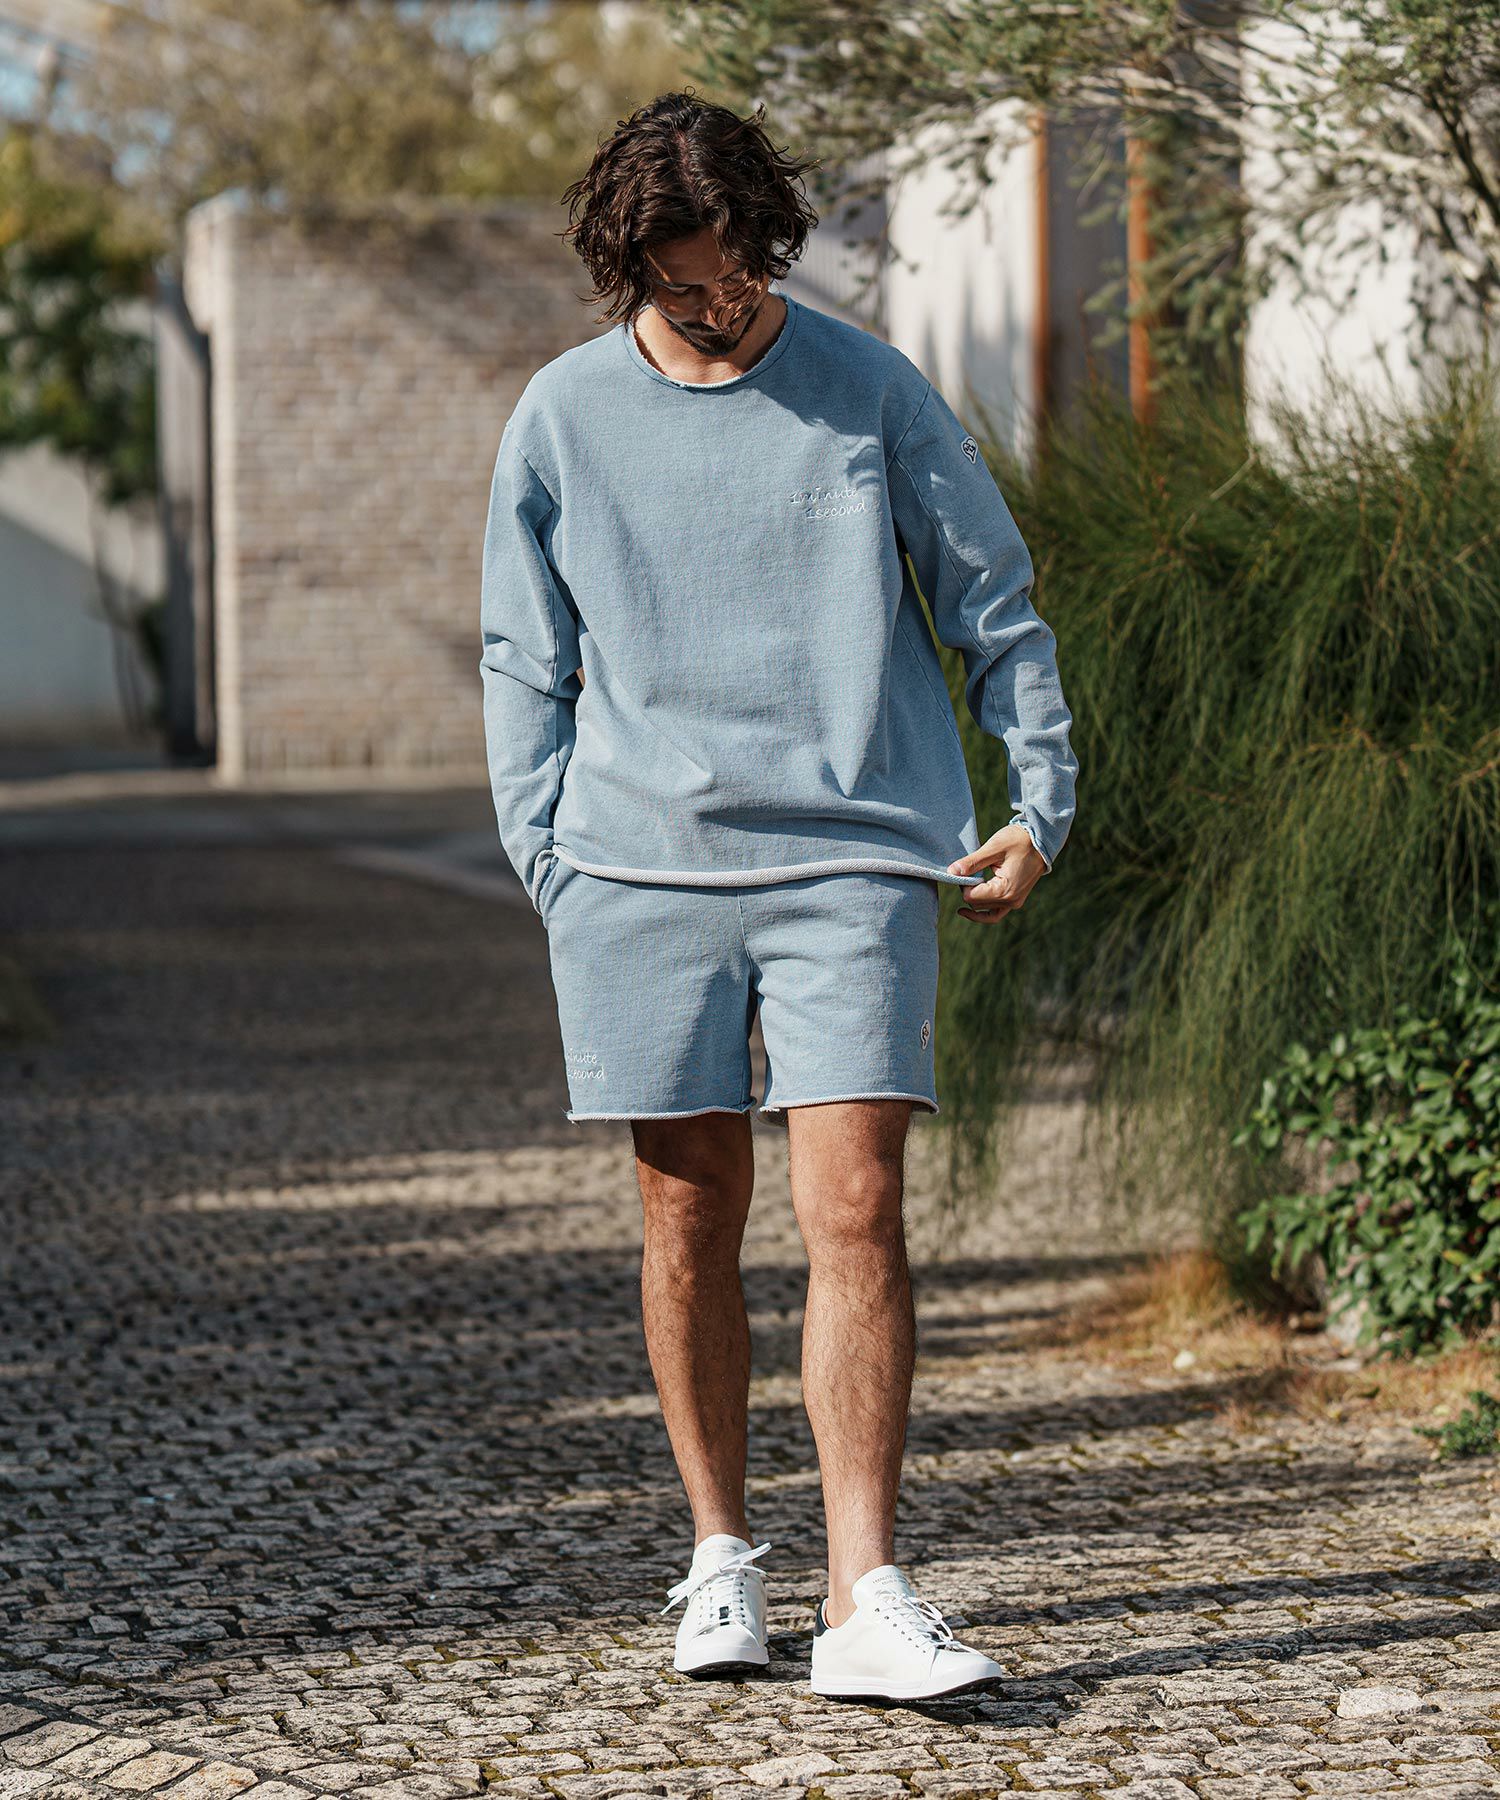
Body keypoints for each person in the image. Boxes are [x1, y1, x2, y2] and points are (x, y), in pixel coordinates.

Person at [479, 90, 1078, 1702]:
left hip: (854, 856)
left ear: (770, 238)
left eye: (738, 271)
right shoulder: (562, 416)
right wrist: (550, 857)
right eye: (681, 283)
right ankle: (721, 1556)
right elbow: (523, 657)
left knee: (858, 1207)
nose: (717, 303)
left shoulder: (869, 386)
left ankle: (865, 1592)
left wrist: (1043, 802)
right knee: (687, 1216)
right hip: (639, 872)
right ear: (631, 269)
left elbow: (993, 602)